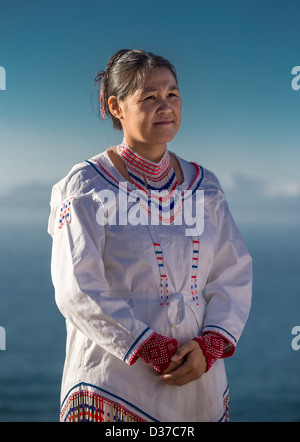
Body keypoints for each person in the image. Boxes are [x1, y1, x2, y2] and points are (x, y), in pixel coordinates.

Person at [47, 48, 252, 422]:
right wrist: (148, 347)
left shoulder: (205, 186)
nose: (165, 106)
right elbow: (77, 288)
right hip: (115, 382)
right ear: (116, 107)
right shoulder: (85, 186)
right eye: (149, 97)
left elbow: (233, 272)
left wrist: (211, 344)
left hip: (197, 380)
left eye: (172, 94)